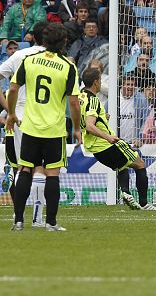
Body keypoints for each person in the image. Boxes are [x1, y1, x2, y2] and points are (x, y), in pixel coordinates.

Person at [7, 23, 81, 232]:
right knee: (52, 174)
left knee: (24, 170)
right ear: (64, 42)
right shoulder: (67, 66)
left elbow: (13, 89)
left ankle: (19, 221)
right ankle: (51, 223)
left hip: (30, 126)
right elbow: (74, 103)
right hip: (54, 129)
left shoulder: (29, 61)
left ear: (44, 40)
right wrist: (76, 128)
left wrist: (11, 113)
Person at [79, 68, 156, 211]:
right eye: (100, 80)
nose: (101, 83)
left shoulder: (81, 97)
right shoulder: (93, 100)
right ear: (95, 82)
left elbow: (85, 119)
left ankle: (126, 193)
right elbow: (90, 125)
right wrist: (108, 137)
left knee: (121, 166)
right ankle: (144, 203)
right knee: (140, 164)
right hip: (105, 144)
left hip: (93, 147)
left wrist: (103, 118)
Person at [0, 22, 47, 228]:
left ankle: (18, 217)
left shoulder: (19, 55)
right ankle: (38, 218)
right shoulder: (56, 59)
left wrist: (8, 110)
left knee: (21, 167)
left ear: (32, 37)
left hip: (18, 116)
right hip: (45, 116)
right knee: (43, 167)